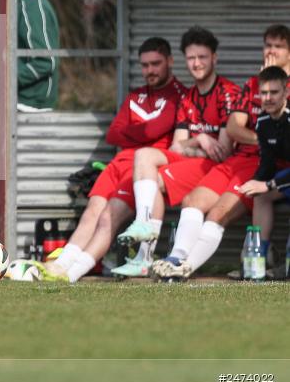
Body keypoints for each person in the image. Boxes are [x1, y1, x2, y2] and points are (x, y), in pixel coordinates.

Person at [40, 37, 186, 282]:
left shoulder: (178, 95)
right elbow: (113, 134)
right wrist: (143, 132)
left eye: (156, 64)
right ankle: (59, 267)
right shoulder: (135, 96)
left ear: (170, 61)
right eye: (145, 65)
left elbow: (151, 131)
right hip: (118, 163)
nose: (150, 70)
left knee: (108, 218)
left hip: (142, 170)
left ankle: (73, 274)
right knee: (91, 213)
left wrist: (134, 132)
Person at [151, 26, 290, 280]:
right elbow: (235, 127)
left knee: (218, 213)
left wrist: (268, 141)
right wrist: (263, 138)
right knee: (192, 201)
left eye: (278, 46)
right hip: (238, 159)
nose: (271, 50)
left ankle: (186, 268)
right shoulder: (252, 84)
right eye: (267, 45)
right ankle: (175, 258)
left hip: (265, 165)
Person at [117, 27, 239, 266]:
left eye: (202, 57)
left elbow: (222, 152)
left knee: (152, 182)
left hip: (215, 169)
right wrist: (200, 139)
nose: (197, 63)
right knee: (144, 157)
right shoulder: (187, 98)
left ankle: (144, 257)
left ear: (214, 57)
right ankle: (143, 231)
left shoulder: (228, 93)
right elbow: (176, 147)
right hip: (195, 162)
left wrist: (189, 145)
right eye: (192, 58)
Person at [240, 66, 290, 276]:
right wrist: (252, 184)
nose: (268, 98)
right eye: (264, 93)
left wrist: (269, 184)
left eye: (274, 92)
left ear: (286, 92)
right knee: (260, 196)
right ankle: (258, 256)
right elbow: (268, 164)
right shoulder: (262, 122)